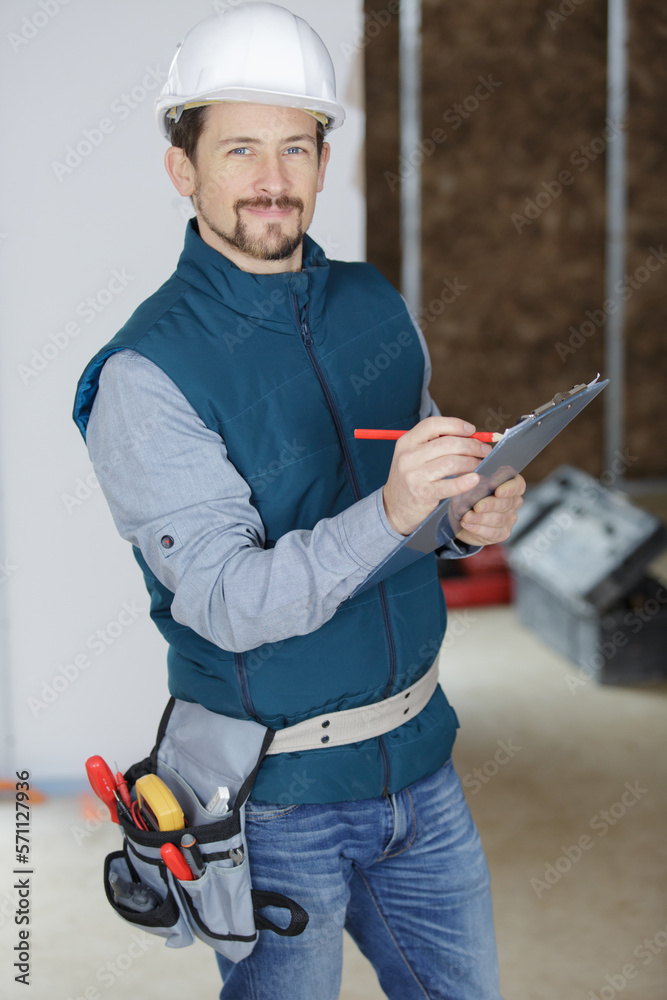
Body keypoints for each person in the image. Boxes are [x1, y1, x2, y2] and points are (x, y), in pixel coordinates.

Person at [73, 4, 524, 998]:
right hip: (272, 799)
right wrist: (400, 511)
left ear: (324, 162)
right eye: (238, 149)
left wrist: (466, 515)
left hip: (421, 763)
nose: (271, 179)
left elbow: (419, 494)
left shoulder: (374, 302)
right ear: (182, 169)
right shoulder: (147, 375)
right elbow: (229, 601)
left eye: (294, 147)